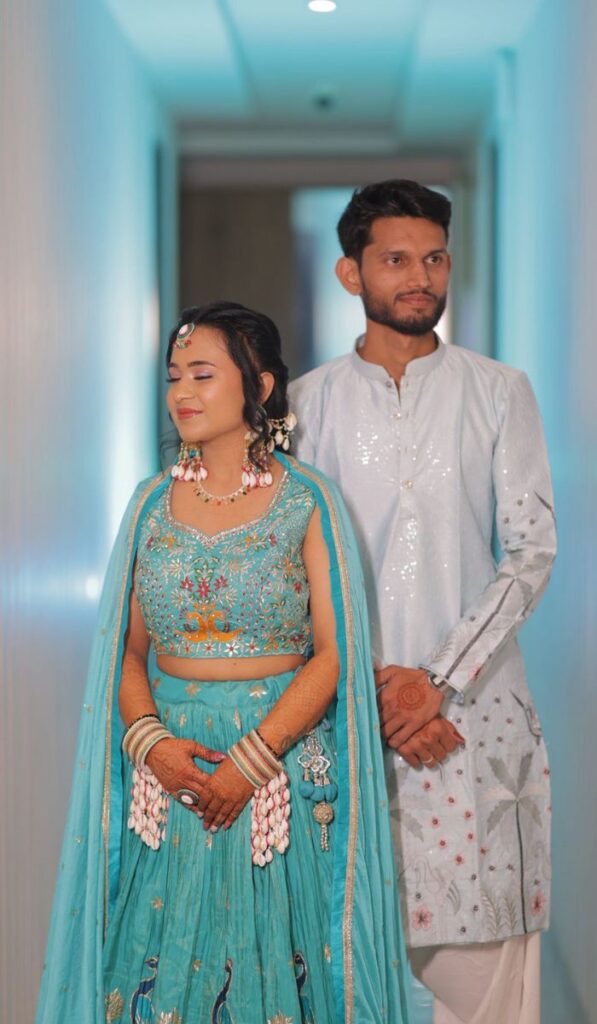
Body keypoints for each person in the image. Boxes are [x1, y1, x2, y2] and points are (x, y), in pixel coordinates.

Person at [36, 301, 412, 1024]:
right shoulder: (150, 505)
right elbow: (127, 651)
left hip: (277, 769)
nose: (181, 392)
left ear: (259, 387)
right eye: (173, 375)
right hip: (171, 772)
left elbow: (334, 653)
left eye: (202, 375)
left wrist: (252, 758)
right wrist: (151, 743)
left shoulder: (307, 501)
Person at [290, 180, 556, 1024]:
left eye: (434, 258)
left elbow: (530, 549)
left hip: (473, 717)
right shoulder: (303, 406)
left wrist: (434, 681)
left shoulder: (498, 390)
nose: (419, 278)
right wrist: (378, 695)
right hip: (347, 716)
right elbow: (293, 569)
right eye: (396, 260)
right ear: (350, 273)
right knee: (335, 964)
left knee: (491, 982)